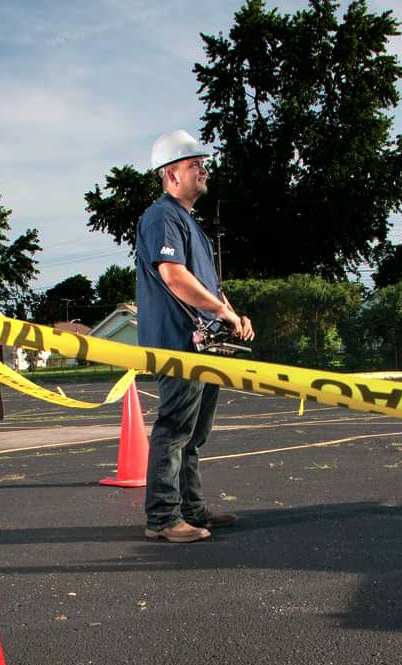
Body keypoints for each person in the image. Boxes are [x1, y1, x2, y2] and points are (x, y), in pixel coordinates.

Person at [136, 129, 255, 543]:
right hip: (177, 343)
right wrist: (220, 310)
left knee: (194, 434)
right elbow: (173, 276)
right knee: (174, 430)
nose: (203, 170)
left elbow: (207, 284)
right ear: (170, 175)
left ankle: (191, 509)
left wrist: (231, 312)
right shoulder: (162, 216)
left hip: (200, 344)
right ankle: (163, 518)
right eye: (193, 165)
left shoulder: (189, 224)